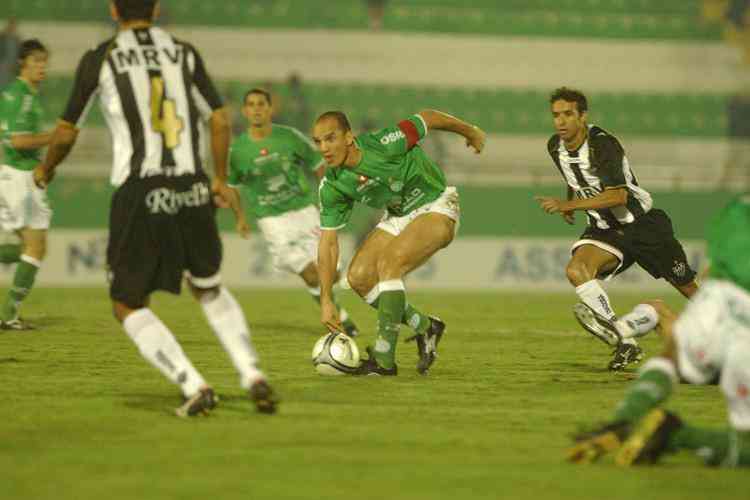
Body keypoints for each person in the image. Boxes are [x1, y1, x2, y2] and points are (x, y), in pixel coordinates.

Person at [32, 0, 276, 417]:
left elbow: (66, 130)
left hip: (141, 188)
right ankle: (252, 373)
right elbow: (218, 119)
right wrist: (217, 178)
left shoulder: (101, 58)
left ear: (113, 10)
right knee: (208, 285)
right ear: (157, 8)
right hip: (191, 184)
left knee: (127, 301)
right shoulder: (184, 52)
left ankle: (192, 383)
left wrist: (47, 168)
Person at [567, 195, 750, 467]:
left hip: (720, 306)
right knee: (742, 447)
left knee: (661, 322)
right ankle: (681, 438)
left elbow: (720, 257)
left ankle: (624, 410)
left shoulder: (737, 209)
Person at [535, 87, 698, 371]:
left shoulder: (603, 145)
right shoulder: (554, 146)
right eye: (555, 115)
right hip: (603, 230)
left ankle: (733, 333)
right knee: (576, 270)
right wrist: (572, 200)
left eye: (568, 114)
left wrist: (567, 206)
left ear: (583, 116)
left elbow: (618, 196)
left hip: (642, 226)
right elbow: (575, 177)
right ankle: (624, 339)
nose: (560, 121)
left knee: (687, 288)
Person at [313, 110, 485, 375]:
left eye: (330, 139)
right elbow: (328, 243)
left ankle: (384, 361)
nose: (324, 148)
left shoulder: (384, 143)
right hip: (398, 215)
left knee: (389, 263)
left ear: (349, 137)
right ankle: (426, 326)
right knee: (359, 277)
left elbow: (427, 118)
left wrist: (469, 131)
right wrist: (326, 300)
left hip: (436, 204)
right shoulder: (332, 185)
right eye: (318, 142)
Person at [226, 88, 360, 337]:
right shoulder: (238, 150)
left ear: (270, 108)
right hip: (273, 220)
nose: (256, 108)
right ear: (245, 111)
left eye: (261, 104)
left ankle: (334, 311)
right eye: (251, 104)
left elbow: (319, 164)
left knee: (333, 273)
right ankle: (339, 319)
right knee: (310, 273)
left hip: (305, 211)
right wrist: (240, 218)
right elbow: (232, 186)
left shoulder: (289, 137)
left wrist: (326, 197)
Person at [0, 39, 53, 330]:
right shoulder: (20, 96)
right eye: (36, 61)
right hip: (21, 177)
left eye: (44, 61)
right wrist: (53, 137)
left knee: (31, 247)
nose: (42, 67)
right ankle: (8, 315)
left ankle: (9, 313)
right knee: (35, 247)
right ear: (23, 63)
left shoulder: (23, 95)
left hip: (17, 175)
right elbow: (18, 141)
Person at [0, 18, 20, 89]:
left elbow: (19, 50)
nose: (13, 28)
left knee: (11, 80)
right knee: (2, 80)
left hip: (13, 63)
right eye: (11, 26)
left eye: (14, 26)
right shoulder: (3, 37)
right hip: (3, 63)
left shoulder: (17, 38)